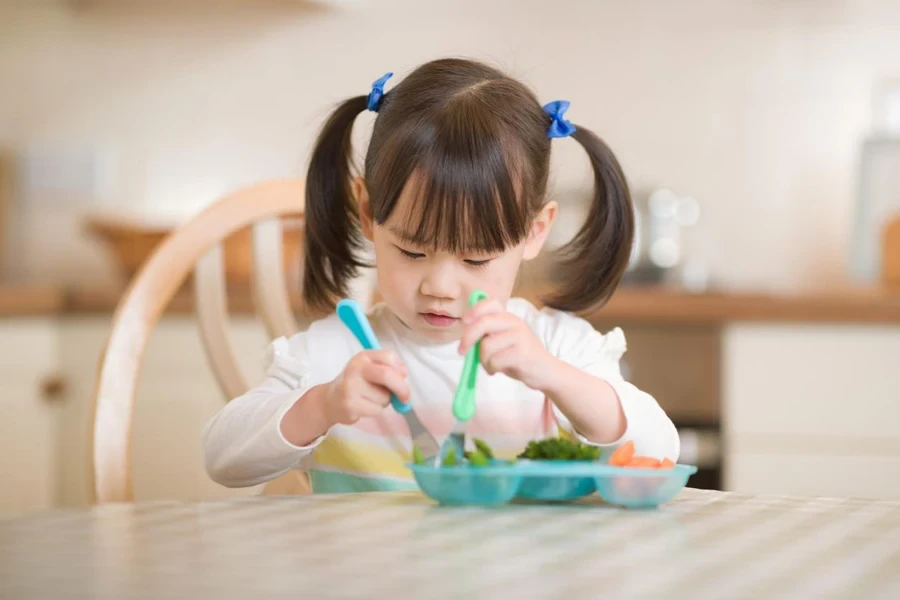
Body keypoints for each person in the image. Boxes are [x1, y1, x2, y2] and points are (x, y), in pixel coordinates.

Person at [202, 58, 680, 493]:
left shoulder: (558, 349)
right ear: (368, 213)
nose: (440, 287)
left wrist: (552, 377)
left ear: (534, 232)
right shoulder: (339, 356)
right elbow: (223, 459)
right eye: (412, 251)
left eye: (475, 261)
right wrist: (323, 405)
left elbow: (661, 451)